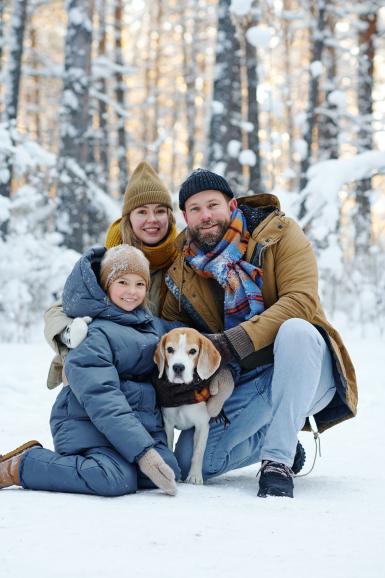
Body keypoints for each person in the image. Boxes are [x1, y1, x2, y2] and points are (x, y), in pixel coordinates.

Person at [160, 168, 358, 498]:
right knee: (191, 461)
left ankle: (277, 461)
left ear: (232, 204)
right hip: (249, 380)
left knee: (295, 331)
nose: (205, 215)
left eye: (213, 204)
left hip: (306, 367)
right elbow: (171, 326)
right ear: (185, 216)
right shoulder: (182, 268)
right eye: (195, 209)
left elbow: (301, 301)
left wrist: (231, 343)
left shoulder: (281, 234)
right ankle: (281, 436)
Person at [0, 245, 180, 496]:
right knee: (113, 478)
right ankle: (22, 466)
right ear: (107, 285)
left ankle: (129, 455)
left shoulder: (149, 326)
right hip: (87, 424)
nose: (132, 291)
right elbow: (102, 398)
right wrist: (142, 452)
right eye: (123, 282)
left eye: (140, 284)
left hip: (129, 428)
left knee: (168, 469)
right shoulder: (94, 333)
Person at [44, 161, 179, 390]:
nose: (152, 219)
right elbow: (60, 310)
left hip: (152, 373)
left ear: (170, 215)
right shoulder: (109, 260)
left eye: (159, 211)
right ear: (129, 217)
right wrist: (71, 348)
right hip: (102, 367)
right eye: (142, 212)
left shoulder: (181, 261)